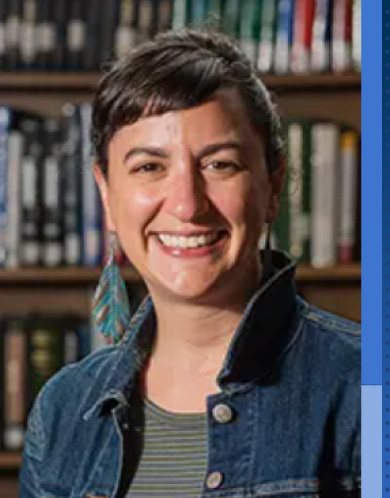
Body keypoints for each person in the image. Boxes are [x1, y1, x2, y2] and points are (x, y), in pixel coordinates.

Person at [19, 29, 360, 497]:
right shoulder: (63, 410)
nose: (187, 204)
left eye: (219, 164)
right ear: (106, 193)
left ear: (273, 184)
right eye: (149, 167)